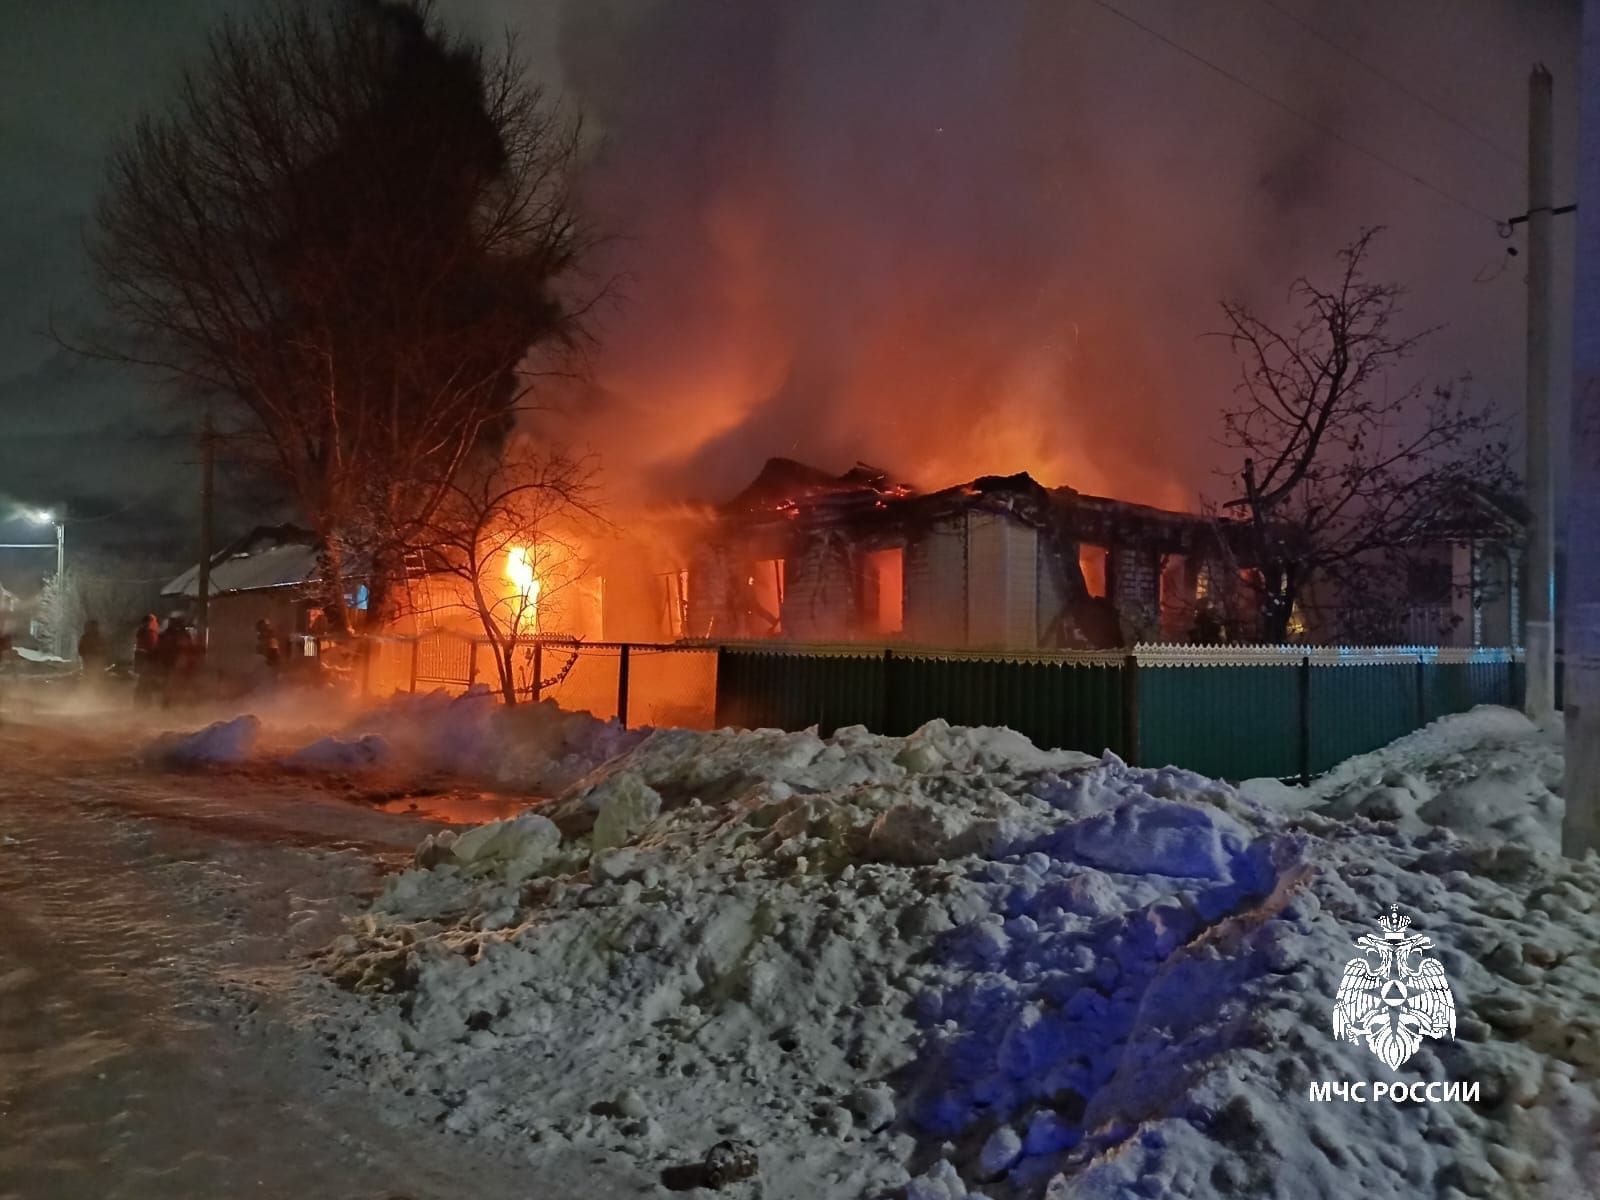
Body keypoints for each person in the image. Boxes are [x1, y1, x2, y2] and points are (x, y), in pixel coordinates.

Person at [134, 614, 161, 704]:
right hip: (147, 660)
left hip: (142, 660)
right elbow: (153, 646)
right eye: (154, 621)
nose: (156, 623)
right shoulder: (149, 633)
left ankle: (141, 702)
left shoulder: (141, 632)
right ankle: (145, 702)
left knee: (142, 682)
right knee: (146, 682)